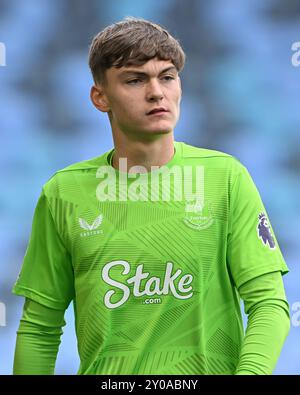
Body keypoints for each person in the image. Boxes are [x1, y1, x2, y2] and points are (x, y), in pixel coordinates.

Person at [12, 17, 290, 375]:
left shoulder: (226, 178)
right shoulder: (63, 193)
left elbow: (268, 303)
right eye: (135, 79)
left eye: (168, 77)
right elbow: (40, 328)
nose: (157, 92)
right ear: (100, 97)